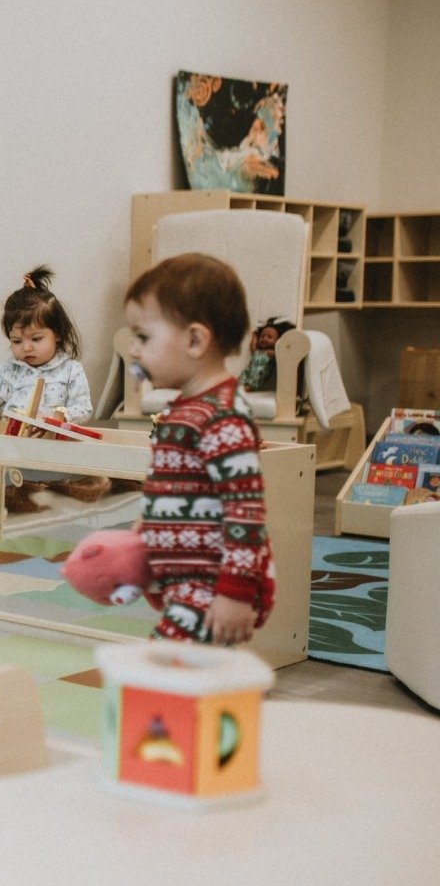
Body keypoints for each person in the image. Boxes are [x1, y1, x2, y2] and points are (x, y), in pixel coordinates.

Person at [124, 253, 275, 646]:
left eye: (143, 337)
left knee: (165, 668)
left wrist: (234, 592)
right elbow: (181, 488)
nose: (135, 351)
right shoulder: (185, 408)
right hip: (185, 581)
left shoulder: (222, 416)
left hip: (210, 587)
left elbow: (246, 510)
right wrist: (149, 530)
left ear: (194, 340)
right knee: (190, 682)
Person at [0, 266, 93, 428]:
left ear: (58, 333)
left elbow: (84, 409)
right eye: (16, 341)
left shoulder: (71, 370)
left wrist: (61, 417)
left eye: (36, 339)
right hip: (10, 444)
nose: (26, 348)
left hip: (52, 445)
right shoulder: (8, 370)